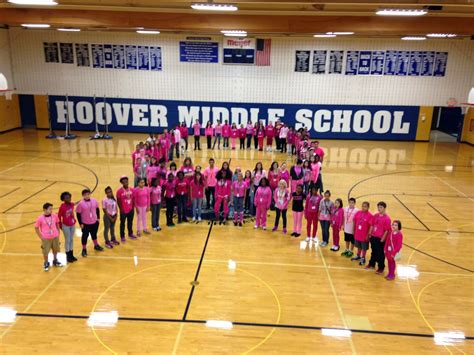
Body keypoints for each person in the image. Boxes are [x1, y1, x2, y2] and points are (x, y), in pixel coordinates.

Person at [35, 203, 62, 271]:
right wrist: (40, 236)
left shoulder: (54, 216)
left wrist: (58, 231)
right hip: (46, 238)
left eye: (51, 209)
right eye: (50, 209)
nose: (51, 210)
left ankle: (55, 260)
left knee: (55, 249)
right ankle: (46, 262)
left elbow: (57, 223)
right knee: (45, 251)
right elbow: (36, 227)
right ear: (44, 210)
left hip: (55, 236)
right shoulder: (40, 218)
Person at [76, 189, 103, 257]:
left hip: (94, 222)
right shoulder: (80, 204)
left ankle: (96, 245)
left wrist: (98, 218)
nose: (87, 196)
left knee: (94, 234)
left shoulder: (94, 200)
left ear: (90, 194)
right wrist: (81, 223)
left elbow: (97, 209)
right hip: (85, 223)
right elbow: (78, 214)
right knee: (85, 236)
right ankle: (84, 249)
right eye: (85, 195)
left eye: (88, 194)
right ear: (83, 196)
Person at [366, 201, 391, 274]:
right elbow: (372, 225)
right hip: (373, 237)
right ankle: (372, 264)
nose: (379, 209)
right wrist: (370, 234)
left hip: (380, 239)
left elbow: (387, 230)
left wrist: (383, 239)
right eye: (378, 207)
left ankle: (381, 267)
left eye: (381, 207)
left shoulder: (387, 219)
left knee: (380, 253)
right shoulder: (376, 215)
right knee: (373, 251)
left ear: (384, 208)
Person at [58, 191, 77, 263]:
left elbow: (72, 213)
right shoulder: (62, 207)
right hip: (65, 226)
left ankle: (71, 255)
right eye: (67, 198)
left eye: (69, 197)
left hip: (72, 224)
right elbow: (59, 216)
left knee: (71, 239)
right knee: (67, 240)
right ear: (63, 199)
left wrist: (74, 219)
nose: (69, 199)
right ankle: (68, 256)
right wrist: (60, 226)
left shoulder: (72, 204)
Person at [351, 201, 372, 266]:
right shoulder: (358, 213)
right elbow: (354, 221)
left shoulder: (370, 215)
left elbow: (371, 226)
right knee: (358, 246)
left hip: (364, 235)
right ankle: (358, 255)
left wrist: (368, 235)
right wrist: (354, 230)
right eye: (363, 206)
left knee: (364, 247)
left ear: (368, 207)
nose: (363, 207)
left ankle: (363, 258)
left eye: (365, 206)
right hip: (358, 233)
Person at [117, 176, 136, 242]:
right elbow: (118, 201)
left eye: (126, 181)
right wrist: (121, 209)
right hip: (123, 210)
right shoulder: (119, 191)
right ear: (122, 183)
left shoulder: (132, 189)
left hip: (131, 209)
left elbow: (133, 199)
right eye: (124, 182)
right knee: (122, 223)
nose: (125, 183)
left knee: (130, 222)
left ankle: (130, 233)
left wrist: (133, 207)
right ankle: (122, 236)